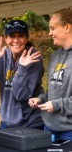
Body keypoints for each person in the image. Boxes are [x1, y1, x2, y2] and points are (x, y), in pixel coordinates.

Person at [0, 20, 44, 129]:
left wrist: (22, 68)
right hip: (6, 121)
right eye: (11, 36)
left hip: (30, 123)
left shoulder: (33, 58)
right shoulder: (2, 55)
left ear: (26, 38)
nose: (16, 40)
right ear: (6, 38)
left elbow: (21, 95)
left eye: (20, 36)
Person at [28, 8, 72, 141]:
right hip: (48, 127)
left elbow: (57, 101)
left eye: (53, 28)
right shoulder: (54, 56)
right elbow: (53, 92)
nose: (50, 33)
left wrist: (57, 105)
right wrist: (41, 99)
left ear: (67, 27)